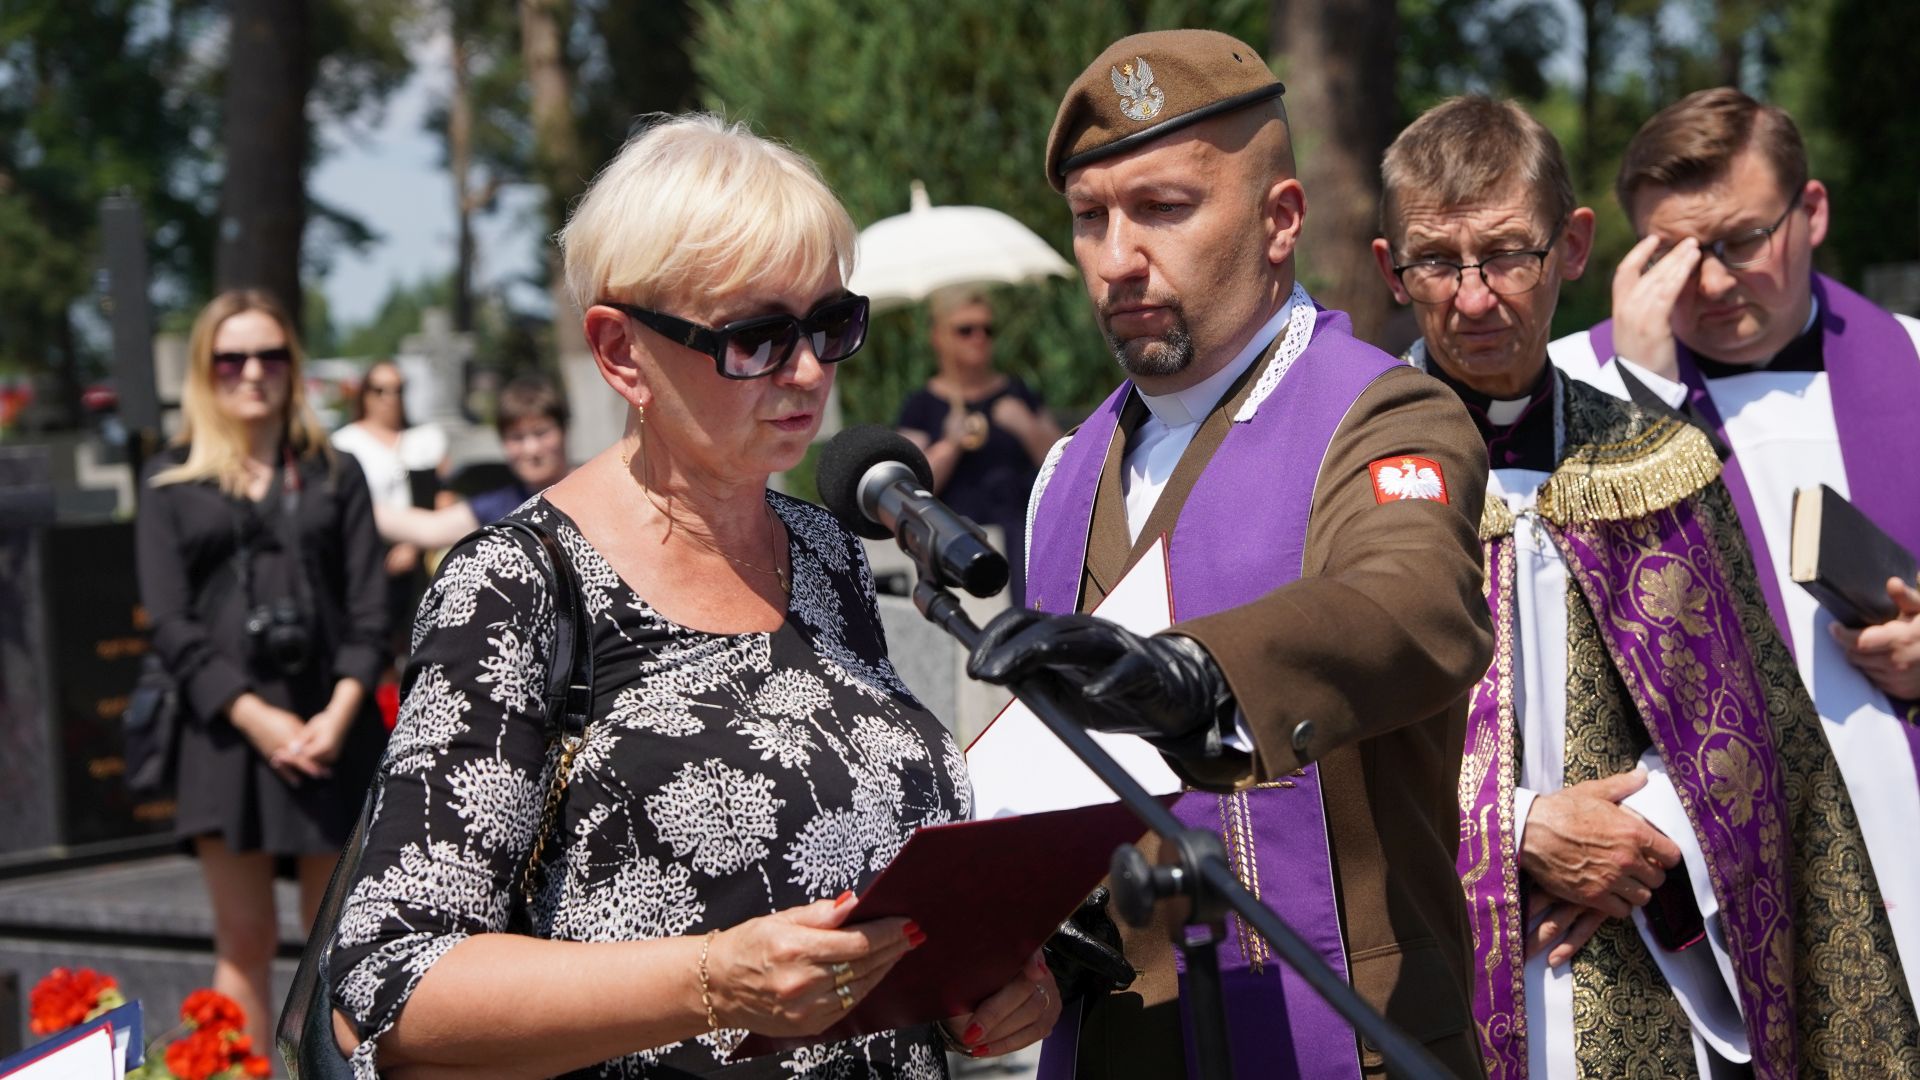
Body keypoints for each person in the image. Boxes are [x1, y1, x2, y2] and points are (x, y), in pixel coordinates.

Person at [325, 113, 1059, 1079]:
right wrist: (711, 981)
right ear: (621, 352)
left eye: (830, 324)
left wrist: (984, 984)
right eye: (756, 338)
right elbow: (387, 989)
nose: (809, 371)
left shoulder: (826, 553)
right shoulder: (518, 586)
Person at [965, 30, 1494, 1078]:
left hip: (1343, 1034)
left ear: (1279, 219)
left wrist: (1199, 677)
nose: (1117, 257)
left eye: (1163, 207)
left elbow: (1416, 603)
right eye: (1090, 218)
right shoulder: (1063, 472)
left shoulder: (1384, 413)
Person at [1374, 95, 1918, 1079]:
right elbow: (1302, 750)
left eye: (1509, 256)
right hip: (1430, 960)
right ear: (1390, 269)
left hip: (1643, 954)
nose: (1475, 299)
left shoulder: (1646, 456)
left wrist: (1652, 829)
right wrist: (1515, 826)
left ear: (1572, 248)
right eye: (1437, 264)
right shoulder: (1345, 466)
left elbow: (1751, 725)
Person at [1549, 88, 1920, 1009]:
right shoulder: (1567, 390)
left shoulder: (1913, 361)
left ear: (1813, 211)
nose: (1711, 284)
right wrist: (1635, 395)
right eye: (1674, 252)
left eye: (1742, 241)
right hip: (1706, 908)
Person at [135, 289, 389, 1053]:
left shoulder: (335, 472)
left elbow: (371, 610)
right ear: (205, 369)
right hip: (226, 732)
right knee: (243, 938)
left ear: (293, 366)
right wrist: (255, 717)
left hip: (330, 723)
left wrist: (336, 718)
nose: (253, 372)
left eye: (271, 356)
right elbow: (171, 624)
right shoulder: (172, 480)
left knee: (332, 946)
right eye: (232, 359)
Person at [896, 287, 1061, 606]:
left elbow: (1064, 464)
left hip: (1022, 541)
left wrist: (1026, 426)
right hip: (958, 547)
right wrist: (950, 445)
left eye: (988, 329)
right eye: (965, 330)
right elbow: (908, 488)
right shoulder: (921, 406)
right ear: (938, 337)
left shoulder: (1017, 392)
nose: (979, 338)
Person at [371, 374, 573, 550]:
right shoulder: (500, 505)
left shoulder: (588, 486)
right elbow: (431, 528)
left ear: (564, 430)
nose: (531, 449)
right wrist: (358, 499)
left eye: (541, 433)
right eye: (517, 438)